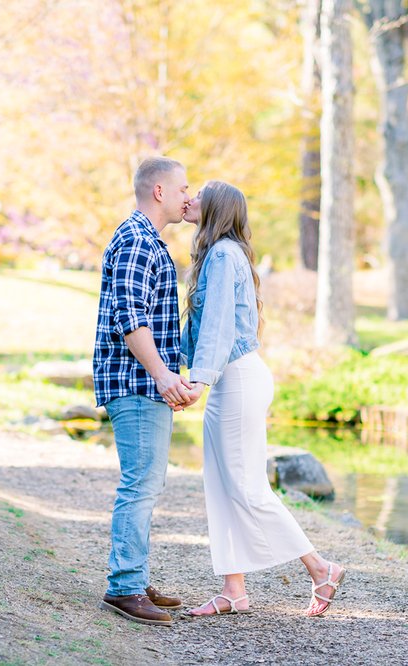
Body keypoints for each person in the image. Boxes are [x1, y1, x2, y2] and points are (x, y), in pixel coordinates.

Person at [179, 181, 346, 617]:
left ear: (214, 207)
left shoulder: (221, 255)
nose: (188, 200)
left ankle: (321, 568)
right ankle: (233, 590)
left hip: (235, 380)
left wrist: (197, 380)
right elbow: (204, 328)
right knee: (222, 485)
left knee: (249, 487)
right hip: (233, 379)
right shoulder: (222, 253)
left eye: (196, 195)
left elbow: (218, 326)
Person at [93, 156, 199, 626]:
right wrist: (162, 374)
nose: (188, 197)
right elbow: (129, 319)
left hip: (142, 383)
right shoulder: (137, 240)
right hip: (137, 384)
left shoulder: (146, 239)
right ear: (159, 191)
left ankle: (132, 574)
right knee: (140, 484)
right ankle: (125, 587)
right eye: (183, 189)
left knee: (146, 483)